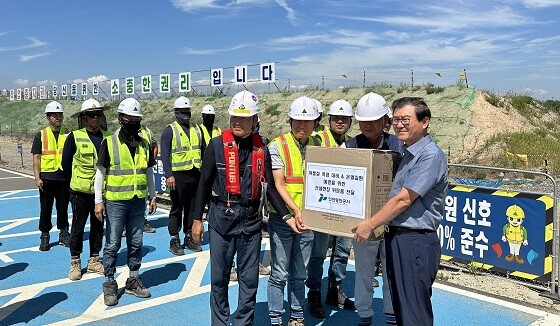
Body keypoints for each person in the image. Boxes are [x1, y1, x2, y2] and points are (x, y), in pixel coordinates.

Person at [191, 90, 288, 326]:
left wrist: (286, 216)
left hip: (251, 223)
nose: (237, 122)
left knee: (249, 281)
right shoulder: (216, 146)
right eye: (234, 117)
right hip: (221, 221)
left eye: (244, 118)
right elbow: (203, 183)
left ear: (255, 121)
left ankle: (244, 322)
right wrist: (196, 219)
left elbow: (272, 187)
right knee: (219, 279)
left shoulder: (262, 148)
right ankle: (220, 323)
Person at [353, 97, 448, 326]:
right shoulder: (407, 153)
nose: (399, 125)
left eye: (405, 119)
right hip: (398, 237)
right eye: (395, 120)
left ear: (425, 122)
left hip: (415, 241)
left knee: (414, 312)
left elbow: (404, 199)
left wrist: (369, 224)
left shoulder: (429, 155)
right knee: (403, 307)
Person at [343, 92, 401, 326]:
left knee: (391, 271)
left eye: (373, 121)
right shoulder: (350, 146)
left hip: (393, 220)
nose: (367, 125)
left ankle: (391, 316)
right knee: (364, 271)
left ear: (385, 121)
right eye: (363, 121)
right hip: (363, 223)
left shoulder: (398, 145)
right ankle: (364, 315)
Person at [94, 98, 157, 306]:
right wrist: (98, 201)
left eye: (137, 118)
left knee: (136, 242)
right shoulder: (109, 143)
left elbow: (148, 172)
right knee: (112, 244)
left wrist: (153, 195)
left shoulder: (145, 143)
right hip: (115, 202)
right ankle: (110, 283)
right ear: (121, 118)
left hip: (138, 201)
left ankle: (133, 279)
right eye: (130, 117)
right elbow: (100, 175)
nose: (134, 121)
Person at [267, 96, 321, 326]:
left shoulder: (319, 145)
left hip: (308, 220)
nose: (302, 125)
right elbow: (278, 184)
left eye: (307, 121)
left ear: (315, 123)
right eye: (298, 120)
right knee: (279, 273)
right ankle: (276, 318)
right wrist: (295, 211)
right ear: (289, 120)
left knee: (300, 273)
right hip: (283, 219)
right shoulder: (277, 145)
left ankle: (297, 316)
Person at [306, 99, 355, 318]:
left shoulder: (354, 144)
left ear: (350, 121)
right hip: (323, 206)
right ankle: (314, 291)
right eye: (336, 118)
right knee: (318, 253)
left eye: (344, 119)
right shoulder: (316, 140)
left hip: (345, 208)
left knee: (342, 251)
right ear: (329, 120)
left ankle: (335, 290)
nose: (340, 122)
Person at [62, 98, 110, 281]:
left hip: (101, 193)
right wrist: (72, 187)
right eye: (91, 115)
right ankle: (75, 262)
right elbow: (65, 165)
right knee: (78, 227)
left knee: (98, 226)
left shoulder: (107, 138)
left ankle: (94, 260)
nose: (95, 118)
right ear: (84, 118)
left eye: (98, 114)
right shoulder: (74, 137)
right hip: (80, 192)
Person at [160, 96, 205, 255]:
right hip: (177, 176)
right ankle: (174, 239)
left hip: (195, 174)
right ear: (176, 112)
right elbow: (164, 154)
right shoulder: (170, 130)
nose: (186, 115)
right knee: (177, 208)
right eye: (182, 112)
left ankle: (188, 236)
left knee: (192, 208)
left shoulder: (197, 129)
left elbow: (203, 150)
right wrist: (169, 175)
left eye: (188, 112)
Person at [31, 101, 71, 251]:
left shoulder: (68, 133)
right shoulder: (41, 135)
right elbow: (36, 158)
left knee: (63, 208)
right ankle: (45, 235)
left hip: (63, 177)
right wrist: (37, 177)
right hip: (46, 178)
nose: (58, 117)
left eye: (60, 114)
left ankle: (64, 233)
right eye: (54, 115)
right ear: (48, 117)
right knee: (45, 209)